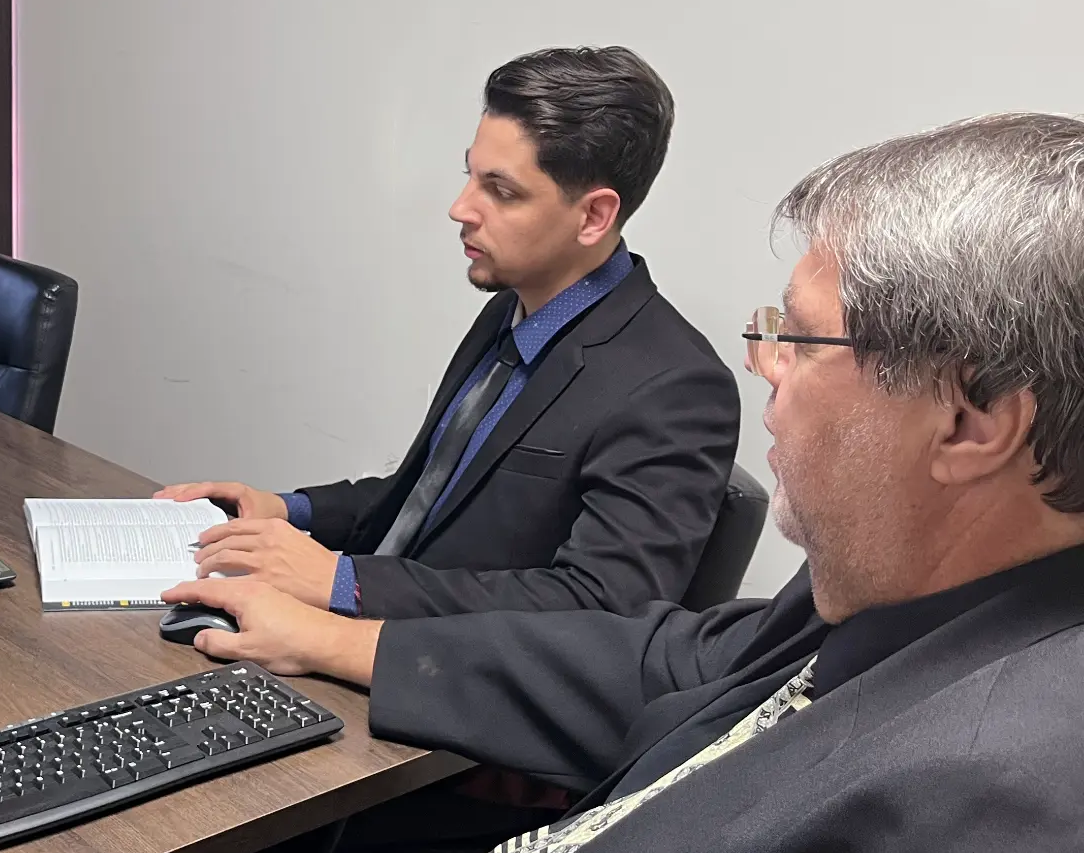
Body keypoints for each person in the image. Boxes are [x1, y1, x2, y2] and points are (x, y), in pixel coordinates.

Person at [186, 112, 1084, 853]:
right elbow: (666, 659)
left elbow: (604, 599)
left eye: (800, 340)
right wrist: (336, 636)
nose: (760, 362)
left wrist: (342, 589)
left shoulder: (1000, 807)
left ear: (970, 421)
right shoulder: (892, 588)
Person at [160, 47, 739, 620]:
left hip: (436, 687)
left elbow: (597, 608)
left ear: (593, 216)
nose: (460, 208)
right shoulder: (516, 308)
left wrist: (342, 580)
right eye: (470, 175)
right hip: (356, 637)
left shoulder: (675, 386)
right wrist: (287, 510)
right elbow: (428, 498)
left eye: (501, 190)